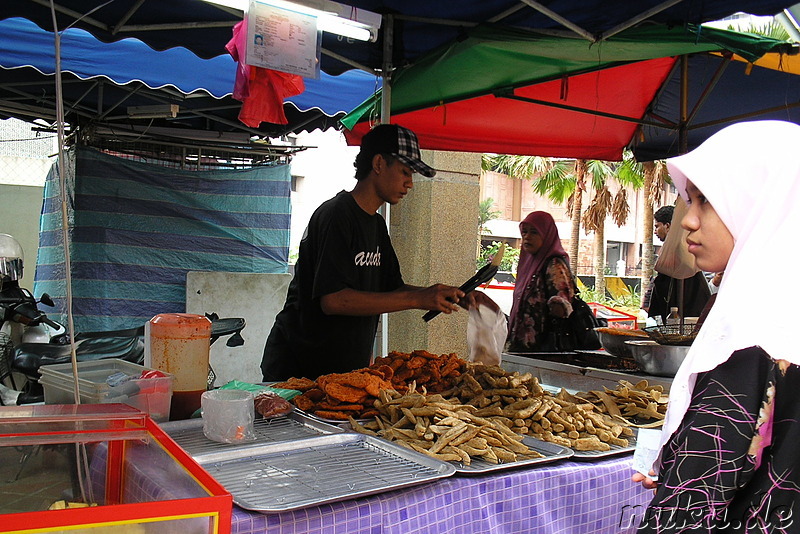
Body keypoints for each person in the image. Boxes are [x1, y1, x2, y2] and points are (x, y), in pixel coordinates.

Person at [632, 120, 800, 532]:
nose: (687, 221)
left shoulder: (752, 332)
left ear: (763, 203)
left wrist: (679, 479)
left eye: (706, 200)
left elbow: (689, 509)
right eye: (689, 201)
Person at [261, 124, 465, 381]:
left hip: (343, 371)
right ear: (378, 164)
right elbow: (334, 300)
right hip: (299, 369)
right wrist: (418, 299)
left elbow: (393, 289)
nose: (410, 183)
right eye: (405, 171)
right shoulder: (336, 215)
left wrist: (440, 294)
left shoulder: (377, 225)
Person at [471, 211, 595, 353]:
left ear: (547, 235)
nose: (527, 237)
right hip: (523, 350)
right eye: (524, 232)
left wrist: (557, 304)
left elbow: (563, 308)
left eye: (534, 232)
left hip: (546, 353)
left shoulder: (554, 265)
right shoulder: (529, 265)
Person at [642, 204, 711, 323]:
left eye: (657, 226)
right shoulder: (675, 250)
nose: (655, 231)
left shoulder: (681, 250)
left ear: (668, 226)